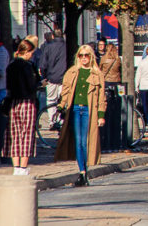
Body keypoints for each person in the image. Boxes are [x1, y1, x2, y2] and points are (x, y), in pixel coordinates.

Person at [55, 45, 106, 186]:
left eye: (86, 55)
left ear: (91, 57)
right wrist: (61, 105)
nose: (83, 58)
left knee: (86, 142)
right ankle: (82, 172)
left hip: (90, 110)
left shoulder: (97, 74)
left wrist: (101, 115)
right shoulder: (72, 72)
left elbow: (102, 97)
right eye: (81, 55)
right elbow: (65, 91)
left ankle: (85, 171)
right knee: (78, 142)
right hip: (76, 109)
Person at [2, 38, 39, 175]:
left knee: (14, 134)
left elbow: (9, 85)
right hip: (27, 102)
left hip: (13, 102)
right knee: (27, 134)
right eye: (31, 52)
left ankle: (16, 167)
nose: (32, 55)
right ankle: (23, 167)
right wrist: (39, 84)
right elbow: (31, 86)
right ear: (27, 52)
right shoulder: (28, 66)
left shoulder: (11, 66)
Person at [38, 29, 67, 129]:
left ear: (53, 36)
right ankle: (61, 120)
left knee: (51, 99)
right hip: (64, 78)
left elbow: (43, 64)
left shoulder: (48, 47)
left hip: (52, 78)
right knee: (63, 100)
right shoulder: (66, 47)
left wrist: (45, 76)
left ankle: (52, 121)